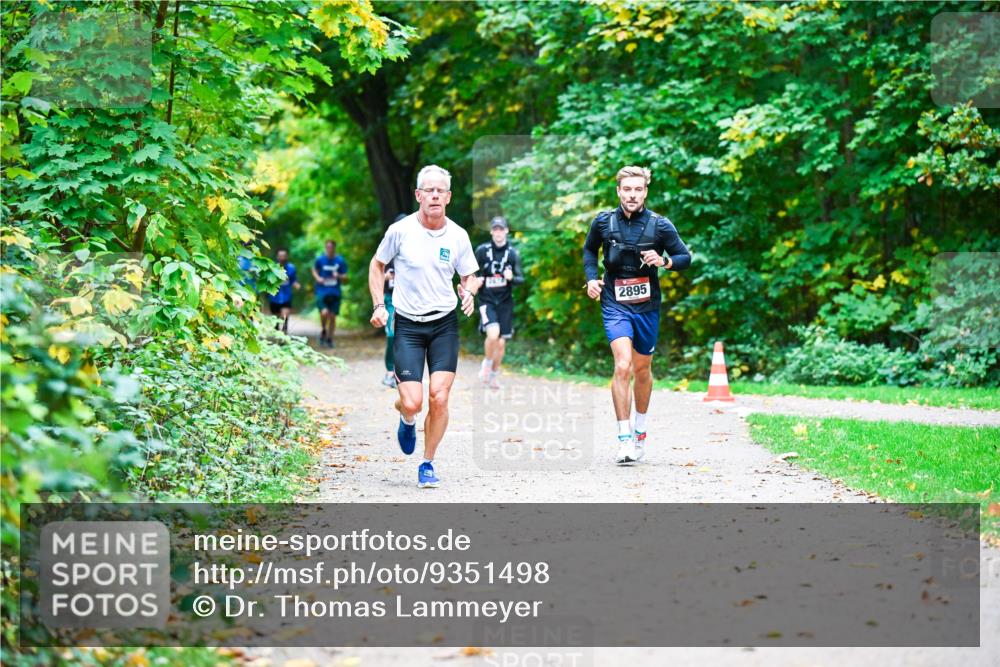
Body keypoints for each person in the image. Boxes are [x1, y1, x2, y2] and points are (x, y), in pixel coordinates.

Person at [368, 165, 481, 488]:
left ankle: (427, 463)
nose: (434, 195)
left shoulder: (458, 235)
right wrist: (379, 305)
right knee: (414, 401)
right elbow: (377, 265)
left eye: (440, 190)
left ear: (448, 197)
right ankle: (406, 417)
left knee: (440, 396)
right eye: (428, 190)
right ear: (418, 195)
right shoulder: (400, 231)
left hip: (444, 324)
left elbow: (469, 274)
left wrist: (468, 291)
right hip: (408, 326)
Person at [583, 166, 691, 465]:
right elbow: (590, 251)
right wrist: (592, 278)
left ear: (645, 192)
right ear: (619, 190)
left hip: (647, 305)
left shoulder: (660, 225)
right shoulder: (603, 222)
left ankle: (640, 430)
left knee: (642, 370)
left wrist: (664, 261)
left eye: (638, 190)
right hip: (614, 301)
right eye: (627, 190)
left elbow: (685, 258)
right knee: (623, 365)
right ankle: (624, 438)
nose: (632, 195)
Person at [475, 216, 524, 389]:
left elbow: (521, 278)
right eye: (495, 229)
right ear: (491, 231)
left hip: (505, 302)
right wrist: (476, 280)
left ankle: (494, 376)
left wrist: (512, 278)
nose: (498, 232)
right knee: (493, 334)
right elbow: (470, 273)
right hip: (486, 300)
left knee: (501, 343)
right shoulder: (482, 250)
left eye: (501, 229)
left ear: (506, 231)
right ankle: (487, 364)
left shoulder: (512, 253)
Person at [381, 214, 408, 388]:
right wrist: (386, 276)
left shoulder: (417, 248)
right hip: (391, 298)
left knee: (406, 336)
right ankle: (390, 371)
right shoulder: (387, 248)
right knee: (392, 334)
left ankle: (404, 372)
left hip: (409, 299)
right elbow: (376, 272)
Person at [312, 240, 348, 348]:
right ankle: (323, 330)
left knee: (332, 316)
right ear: (325, 248)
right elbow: (314, 269)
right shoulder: (320, 259)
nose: (329, 249)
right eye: (327, 247)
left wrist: (339, 276)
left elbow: (346, 277)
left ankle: (330, 338)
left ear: (334, 248)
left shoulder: (340, 260)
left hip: (335, 292)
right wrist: (318, 278)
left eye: (331, 247)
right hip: (322, 291)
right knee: (324, 313)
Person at [268, 248, 300, 333]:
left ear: (287, 257)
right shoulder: (272, 267)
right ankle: (277, 330)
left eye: (284, 256)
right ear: (277, 257)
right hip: (274, 296)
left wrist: (296, 285)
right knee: (276, 318)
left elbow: (293, 280)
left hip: (286, 296)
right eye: (280, 256)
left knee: (285, 315)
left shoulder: (291, 268)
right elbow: (267, 280)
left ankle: (284, 331)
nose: (282, 258)